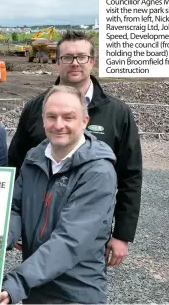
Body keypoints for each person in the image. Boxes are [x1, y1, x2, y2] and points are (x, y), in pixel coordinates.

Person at [8, 30, 142, 266]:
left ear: (92, 62)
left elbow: (130, 176)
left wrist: (122, 234)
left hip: (89, 233)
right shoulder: (35, 108)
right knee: (35, 289)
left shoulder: (117, 113)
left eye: (81, 57)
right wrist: (14, 222)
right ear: (57, 62)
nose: (74, 63)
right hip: (37, 230)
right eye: (67, 58)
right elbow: (16, 166)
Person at [0, 85, 117, 304]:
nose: (59, 125)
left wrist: (18, 282)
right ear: (43, 119)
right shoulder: (34, 159)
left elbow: (70, 241)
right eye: (52, 116)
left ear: (84, 121)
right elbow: (15, 209)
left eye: (68, 117)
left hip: (75, 292)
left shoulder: (97, 172)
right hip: (36, 287)